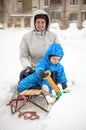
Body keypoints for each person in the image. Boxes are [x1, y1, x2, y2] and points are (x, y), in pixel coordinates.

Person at [19, 9, 60, 81]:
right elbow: (23, 56)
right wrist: (27, 66)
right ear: (34, 23)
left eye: (42, 22)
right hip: (33, 68)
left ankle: (46, 87)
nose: (40, 25)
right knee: (23, 75)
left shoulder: (53, 36)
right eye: (38, 22)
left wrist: (50, 66)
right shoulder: (26, 37)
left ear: (46, 23)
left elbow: (57, 54)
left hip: (48, 68)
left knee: (52, 77)